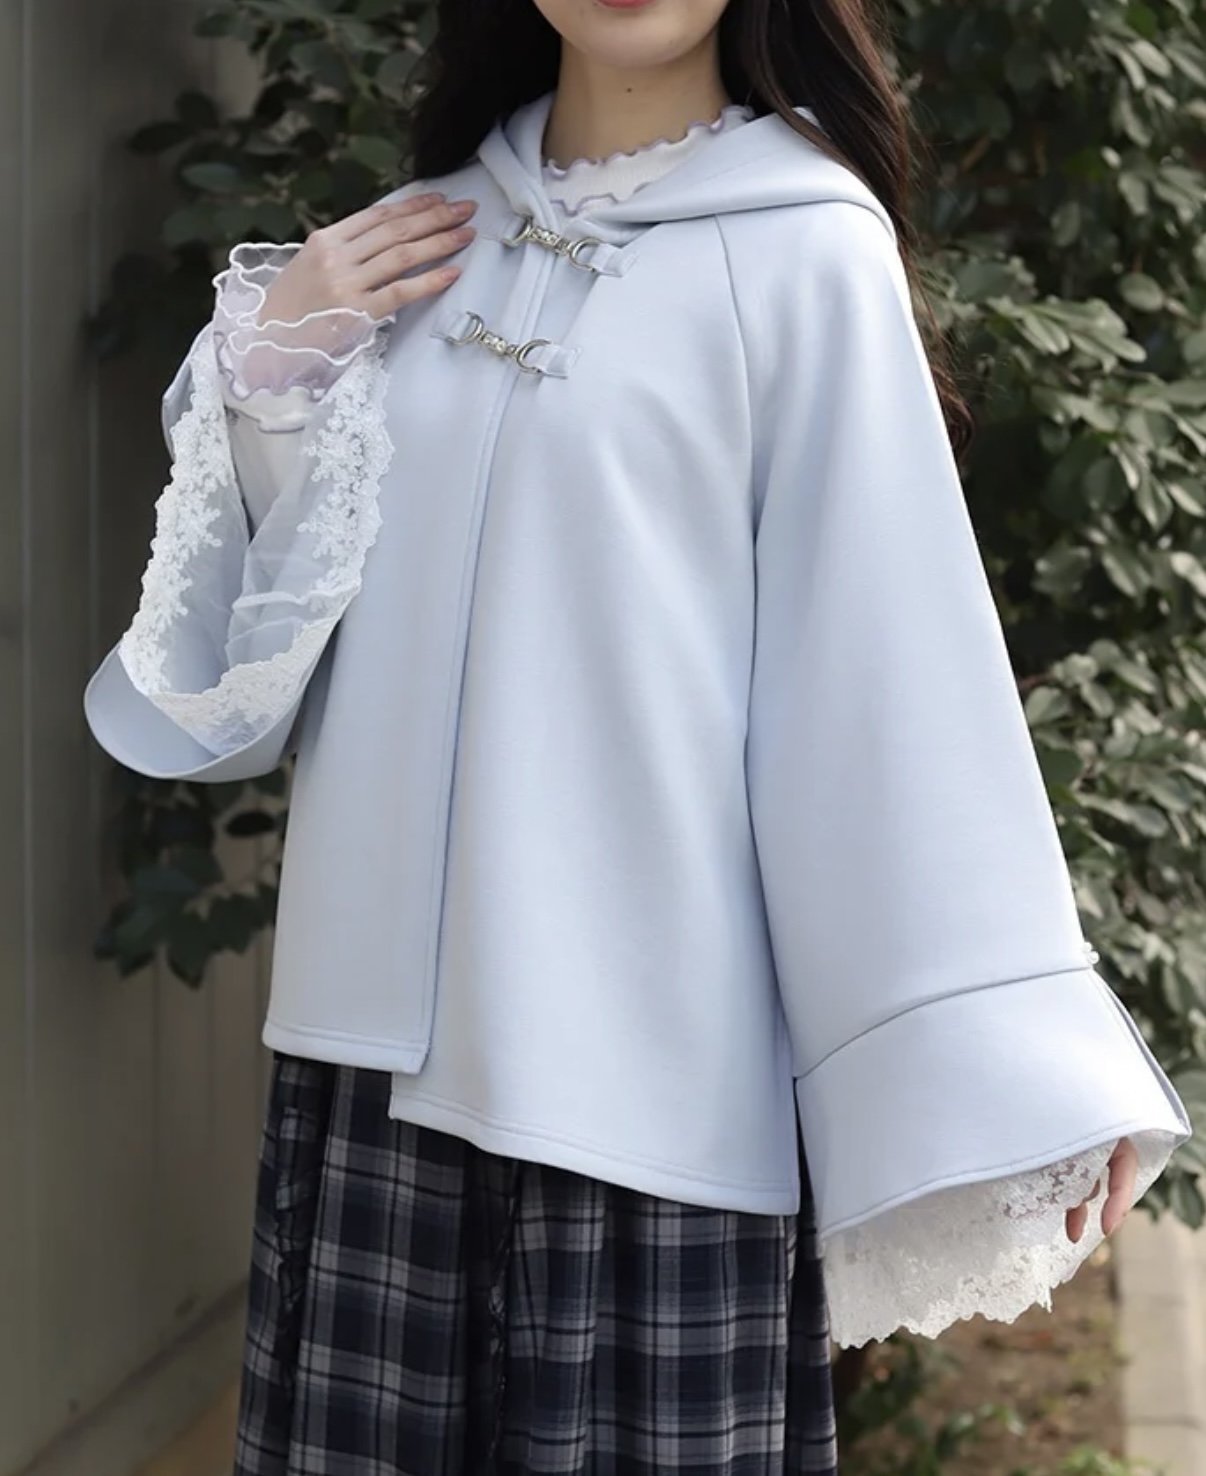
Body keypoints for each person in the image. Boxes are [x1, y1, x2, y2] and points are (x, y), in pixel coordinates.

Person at [84, 0, 1193, 1471]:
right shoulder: (416, 246)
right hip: (368, 1090)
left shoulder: (808, 252)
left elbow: (884, 670)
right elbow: (257, 684)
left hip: (646, 1103)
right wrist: (272, 380)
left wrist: (1016, 1057)